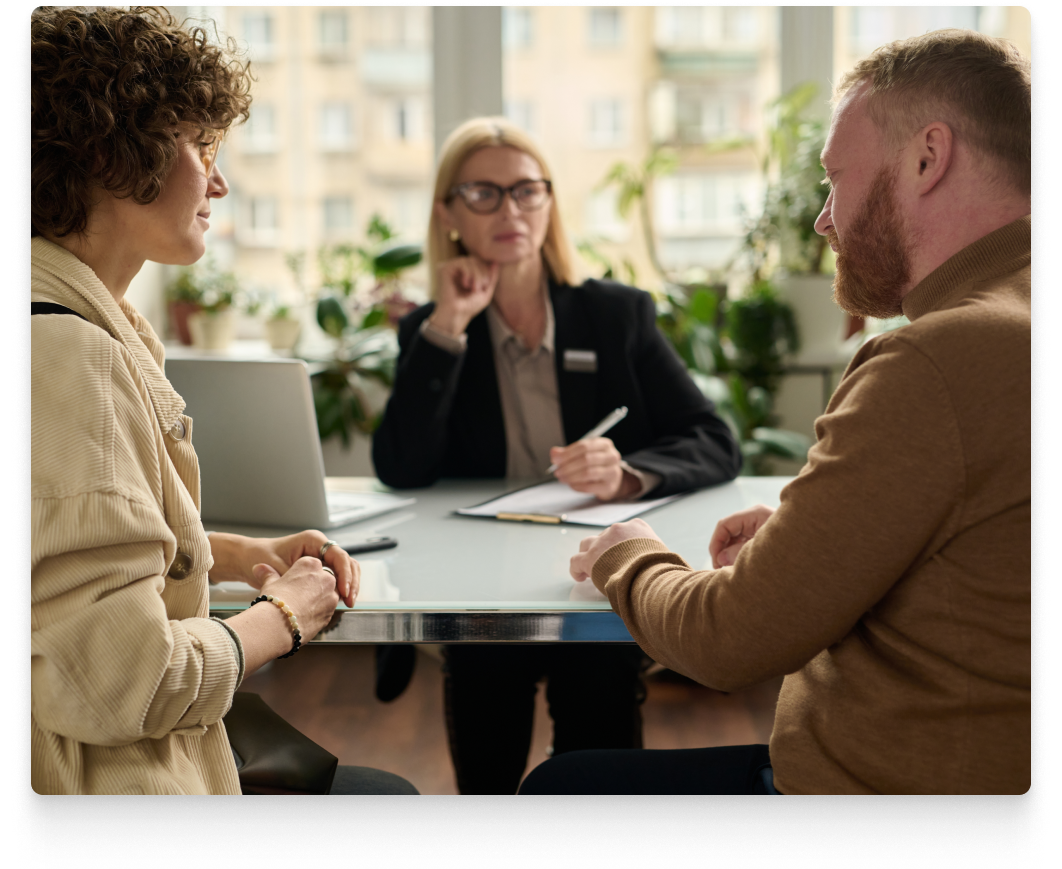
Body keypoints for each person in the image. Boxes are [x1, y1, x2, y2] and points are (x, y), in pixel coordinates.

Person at [520, 28, 1032, 796]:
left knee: (561, 790)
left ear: (928, 157)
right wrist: (815, 543)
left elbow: (728, 640)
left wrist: (626, 552)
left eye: (836, 179)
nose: (825, 220)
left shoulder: (937, 358)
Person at [30, 6, 416, 795]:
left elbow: (59, 569)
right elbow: (127, 682)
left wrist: (233, 556)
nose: (220, 180)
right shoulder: (74, 358)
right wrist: (285, 616)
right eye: (200, 145)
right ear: (114, 149)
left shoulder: (76, 323)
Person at [371, 117, 742, 794]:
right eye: (483, 193)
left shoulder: (613, 314)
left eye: (526, 190)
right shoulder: (432, 329)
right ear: (448, 212)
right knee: (487, 717)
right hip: (481, 580)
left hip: (588, 569)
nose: (510, 210)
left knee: (597, 741)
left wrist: (629, 473)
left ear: (549, 202)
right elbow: (402, 465)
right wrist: (448, 328)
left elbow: (713, 438)